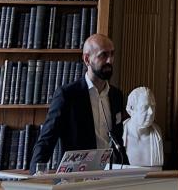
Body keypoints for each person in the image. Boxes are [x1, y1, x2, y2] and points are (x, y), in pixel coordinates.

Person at [29, 34, 128, 173]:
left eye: (112, 54)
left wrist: (128, 171)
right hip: (76, 179)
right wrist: (34, 176)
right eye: (103, 55)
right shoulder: (67, 95)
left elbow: (118, 140)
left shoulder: (116, 95)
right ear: (87, 59)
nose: (110, 60)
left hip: (110, 177)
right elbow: (47, 139)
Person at [123, 87, 164, 166]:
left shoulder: (157, 134)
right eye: (145, 107)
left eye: (153, 106)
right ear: (131, 109)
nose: (151, 112)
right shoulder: (119, 133)